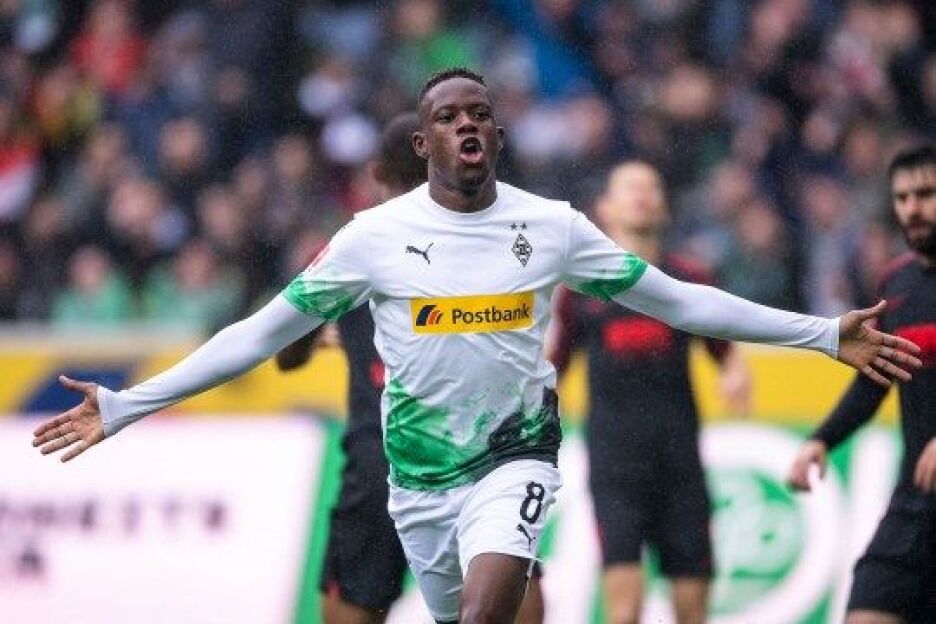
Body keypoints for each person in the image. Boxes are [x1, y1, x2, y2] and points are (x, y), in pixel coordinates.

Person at [33, 68, 921, 624]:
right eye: (449, 116)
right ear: (424, 143)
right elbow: (258, 335)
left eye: (480, 114)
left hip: (514, 458)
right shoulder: (372, 240)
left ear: (495, 134)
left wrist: (821, 334)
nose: (467, 125)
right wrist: (126, 405)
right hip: (417, 483)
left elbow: (681, 300)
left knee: (489, 613)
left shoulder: (554, 227)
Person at [275, 112, 545, 624]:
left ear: (376, 172)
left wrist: (326, 337)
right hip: (475, 454)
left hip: (377, 462)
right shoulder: (485, 242)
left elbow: (285, 354)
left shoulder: (349, 249)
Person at [548, 160, 750, 624]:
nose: (642, 195)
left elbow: (725, 347)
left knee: (692, 610)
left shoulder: (691, 280)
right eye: (630, 187)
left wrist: (736, 372)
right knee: (625, 610)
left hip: (680, 466)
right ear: (605, 207)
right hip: (615, 469)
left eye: (652, 187)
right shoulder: (582, 287)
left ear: (664, 206)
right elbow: (552, 368)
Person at [788, 145, 936, 624]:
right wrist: (821, 439)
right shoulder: (897, 284)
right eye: (903, 198)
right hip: (915, 503)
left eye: (926, 194)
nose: (912, 208)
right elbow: (876, 377)